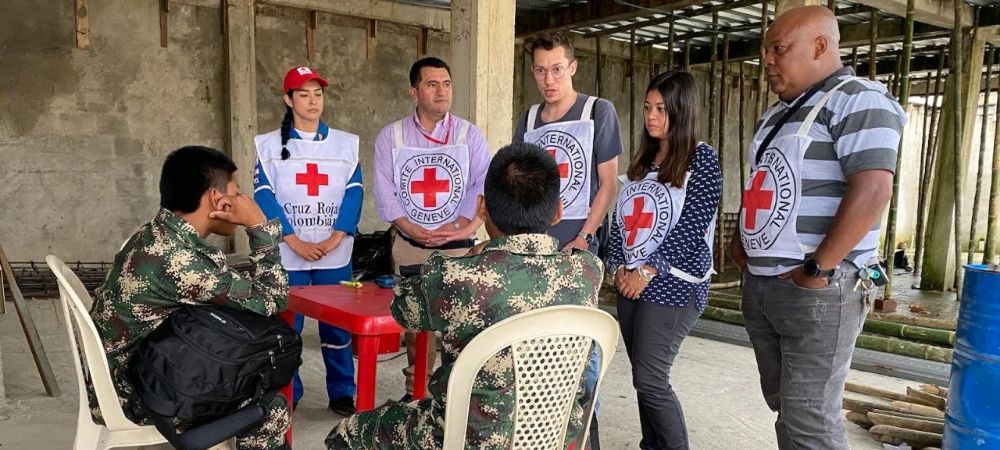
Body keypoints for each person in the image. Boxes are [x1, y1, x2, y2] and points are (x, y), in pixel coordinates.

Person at [325, 142, 604, 450]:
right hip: (553, 434)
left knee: (348, 432)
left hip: (464, 440)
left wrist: (472, 255)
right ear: (558, 212)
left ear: (481, 207)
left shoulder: (455, 276)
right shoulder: (588, 272)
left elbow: (402, 309)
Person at [729, 6, 906, 449]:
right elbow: (761, 182)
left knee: (810, 414)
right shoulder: (777, 115)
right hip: (767, 285)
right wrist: (742, 244)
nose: (767, 60)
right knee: (786, 406)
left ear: (820, 46)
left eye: (778, 49)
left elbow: (872, 190)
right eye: (766, 50)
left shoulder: (858, 98)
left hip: (819, 288)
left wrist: (818, 268)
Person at [90, 146, 291, 450]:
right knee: (266, 400)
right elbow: (273, 300)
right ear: (216, 199)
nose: (242, 201)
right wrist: (258, 225)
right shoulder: (180, 259)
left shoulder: (156, 234)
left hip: (120, 372)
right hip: (132, 393)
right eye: (236, 194)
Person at [513, 30, 623, 449]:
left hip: (578, 246)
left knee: (582, 345)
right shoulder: (526, 120)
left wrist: (584, 236)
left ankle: (584, 431)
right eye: (540, 71)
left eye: (557, 69)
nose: (549, 79)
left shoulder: (598, 111)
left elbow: (608, 184)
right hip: (534, 250)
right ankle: (541, 428)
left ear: (572, 67)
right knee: (537, 343)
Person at [606, 70, 721, 450]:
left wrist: (646, 269)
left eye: (661, 109)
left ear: (682, 111)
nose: (651, 116)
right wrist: (620, 267)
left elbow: (692, 226)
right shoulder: (644, 160)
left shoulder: (702, 160)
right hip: (631, 282)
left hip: (673, 284)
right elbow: (622, 220)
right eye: (647, 107)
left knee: (652, 379)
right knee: (642, 378)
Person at [373, 56, 490, 401]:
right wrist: (411, 227)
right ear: (414, 91)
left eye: (447, 83)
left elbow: (481, 185)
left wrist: (458, 227)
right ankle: (418, 395)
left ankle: (458, 396)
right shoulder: (391, 136)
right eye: (432, 84)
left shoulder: (470, 134)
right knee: (416, 325)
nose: (442, 91)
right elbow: (385, 188)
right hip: (411, 244)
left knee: (461, 322)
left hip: (459, 245)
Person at [253, 66, 363, 416]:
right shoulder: (268, 145)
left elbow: (354, 192)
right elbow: (263, 195)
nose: (313, 101)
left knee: (338, 328)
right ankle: (289, 391)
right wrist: (293, 240)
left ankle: (343, 392)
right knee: (287, 329)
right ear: (288, 100)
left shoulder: (346, 143)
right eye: (303, 94)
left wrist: (335, 238)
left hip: (336, 252)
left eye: (318, 94)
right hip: (290, 254)